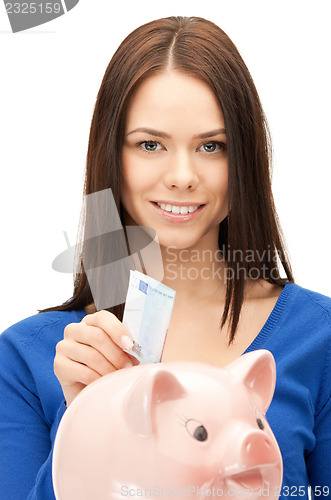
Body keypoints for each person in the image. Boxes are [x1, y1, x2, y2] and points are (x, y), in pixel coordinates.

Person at [0, 16, 330, 500]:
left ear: (246, 161)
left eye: (212, 146)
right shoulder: (29, 360)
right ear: (111, 156)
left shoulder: (319, 339)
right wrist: (90, 421)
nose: (182, 175)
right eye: (150, 144)